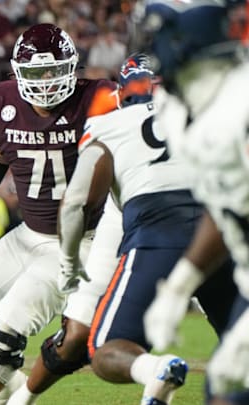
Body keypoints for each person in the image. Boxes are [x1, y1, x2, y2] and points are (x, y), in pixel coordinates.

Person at [7, 53, 236, 405]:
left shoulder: (108, 125)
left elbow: (75, 204)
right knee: (237, 350)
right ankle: (24, 397)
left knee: (104, 348)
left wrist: (69, 264)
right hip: (215, 226)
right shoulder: (216, 113)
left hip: (154, 225)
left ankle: (152, 369)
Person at [0, 23, 117, 405]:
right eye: (36, 73)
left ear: (72, 67)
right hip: (27, 234)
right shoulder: (1, 101)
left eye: (54, 72)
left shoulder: (99, 99)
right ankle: (11, 387)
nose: (46, 83)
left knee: (11, 319)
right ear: (16, 72)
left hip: (79, 240)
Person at [136, 1, 249, 403]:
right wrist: (178, 287)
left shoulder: (239, 109)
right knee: (223, 391)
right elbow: (226, 206)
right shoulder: (188, 113)